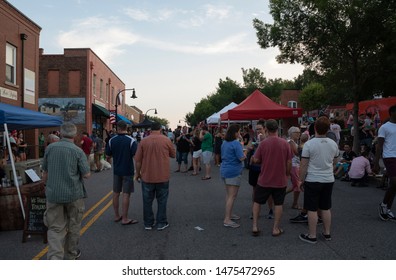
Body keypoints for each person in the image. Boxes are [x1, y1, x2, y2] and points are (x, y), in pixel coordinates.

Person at [42, 123, 91, 260]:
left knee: (55, 228)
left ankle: (55, 258)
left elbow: (45, 172)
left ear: (61, 133)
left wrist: (45, 184)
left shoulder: (50, 149)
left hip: (54, 194)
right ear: (75, 135)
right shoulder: (78, 151)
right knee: (74, 226)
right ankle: (71, 255)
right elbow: (87, 174)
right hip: (73, 194)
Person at [299, 116, 339, 244]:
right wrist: (328, 170)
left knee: (312, 208)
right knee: (326, 207)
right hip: (328, 179)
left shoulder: (309, 144)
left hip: (313, 179)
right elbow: (335, 162)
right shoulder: (333, 144)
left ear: (315, 128)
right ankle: (327, 233)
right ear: (328, 129)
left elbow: (303, 165)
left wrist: (300, 180)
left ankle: (312, 235)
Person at [251, 119, 292, 237]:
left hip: (264, 179)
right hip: (280, 179)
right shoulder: (285, 143)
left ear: (266, 129)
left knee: (257, 201)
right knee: (278, 204)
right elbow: (289, 162)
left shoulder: (263, 143)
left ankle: (254, 226)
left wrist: (254, 159)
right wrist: (287, 174)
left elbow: (257, 160)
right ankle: (275, 228)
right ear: (277, 129)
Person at [134, 122, 176, 230]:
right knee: (162, 200)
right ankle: (161, 222)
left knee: (147, 201)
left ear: (150, 129)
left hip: (147, 176)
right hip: (163, 175)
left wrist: (137, 174)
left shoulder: (143, 141)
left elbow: (138, 160)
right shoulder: (166, 140)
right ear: (161, 129)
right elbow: (173, 154)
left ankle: (148, 223)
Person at [105, 120, 138, 225]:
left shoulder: (111, 140)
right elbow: (136, 157)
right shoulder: (131, 141)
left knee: (115, 193)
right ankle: (125, 218)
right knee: (126, 194)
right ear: (126, 128)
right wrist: (138, 171)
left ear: (117, 128)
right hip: (128, 170)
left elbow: (107, 156)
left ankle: (116, 215)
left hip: (117, 171)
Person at [221, 124, 246, 228]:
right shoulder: (235, 144)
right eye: (239, 131)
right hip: (233, 171)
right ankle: (227, 219)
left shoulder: (225, 143)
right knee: (232, 195)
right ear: (236, 133)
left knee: (229, 194)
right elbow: (241, 158)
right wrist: (246, 151)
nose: (240, 133)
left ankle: (229, 215)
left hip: (225, 170)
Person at [374, 105, 396, 221]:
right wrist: (376, 162)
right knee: (394, 181)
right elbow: (379, 146)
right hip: (389, 157)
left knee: (394, 185)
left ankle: (387, 208)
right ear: (392, 112)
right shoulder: (385, 127)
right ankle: (383, 205)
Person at [286, 126, 302, 209]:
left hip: (296, 165)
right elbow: (296, 153)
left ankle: (280, 195)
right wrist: (302, 146)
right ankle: (295, 204)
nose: (299, 134)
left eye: (299, 132)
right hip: (293, 165)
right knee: (297, 185)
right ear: (291, 133)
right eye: (297, 132)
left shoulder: (293, 141)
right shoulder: (290, 141)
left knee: (295, 185)